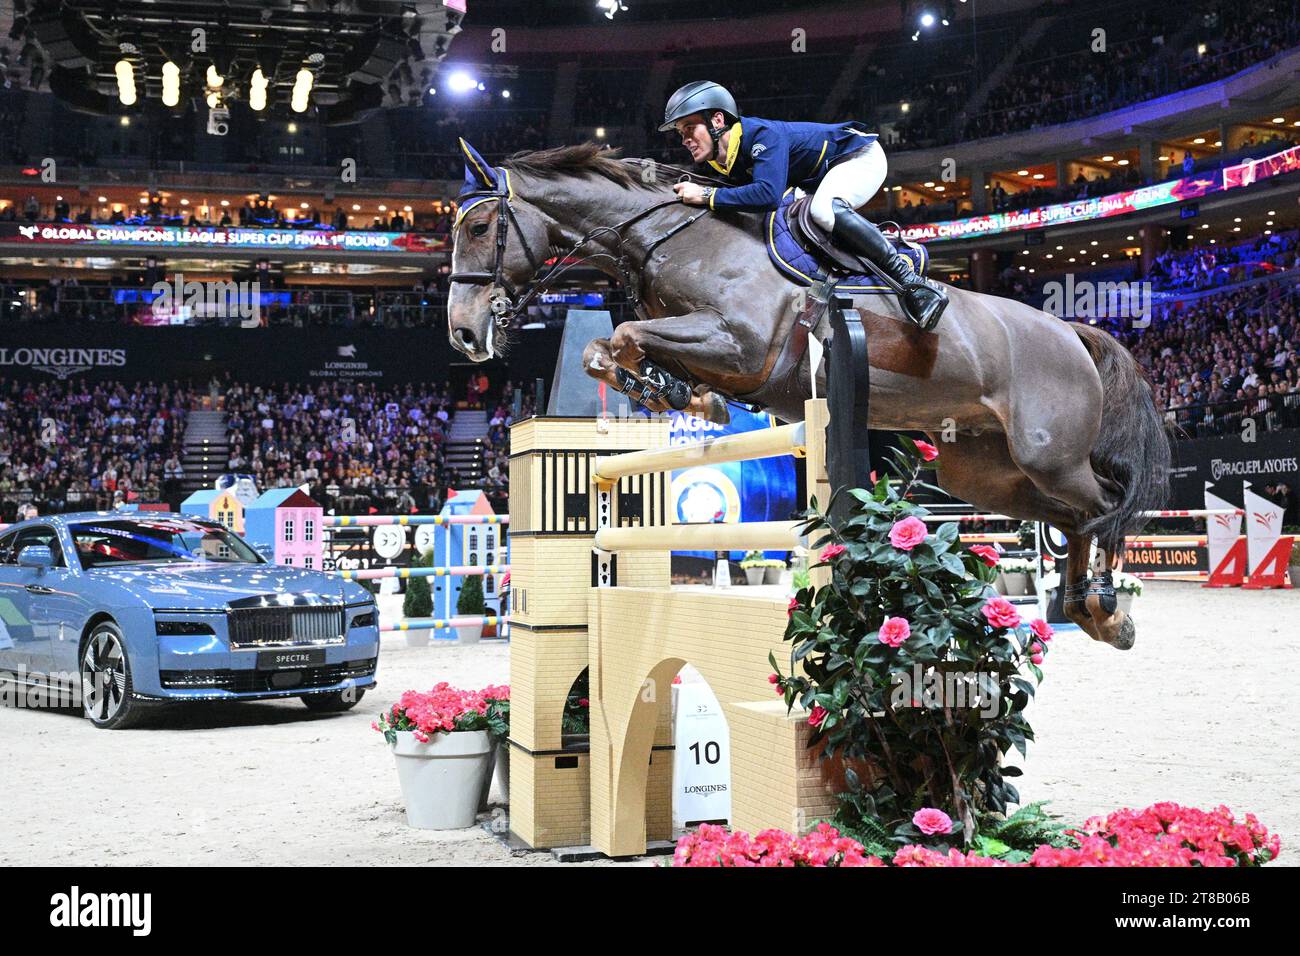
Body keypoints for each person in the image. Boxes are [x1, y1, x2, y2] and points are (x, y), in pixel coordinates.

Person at [661, 80, 947, 329]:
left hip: (860, 156)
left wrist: (707, 195)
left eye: (689, 127)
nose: (684, 139)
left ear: (718, 121)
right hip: (820, 178)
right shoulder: (724, 161)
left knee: (823, 210)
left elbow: (767, 195)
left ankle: (914, 284)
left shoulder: (761, 136)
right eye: (680, 132)